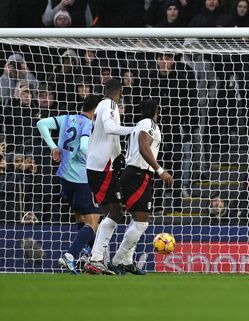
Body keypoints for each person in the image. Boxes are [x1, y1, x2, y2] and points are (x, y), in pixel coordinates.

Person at [36, 95, 102, 274]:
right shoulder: (88, 124)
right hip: (82, 178)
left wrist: (54, 148)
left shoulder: (66, 119)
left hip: (65, 177)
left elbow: (41, 123)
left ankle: (90, 256)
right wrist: (95, 160)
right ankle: (70, 256)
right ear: (95, 110)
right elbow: (82, 146)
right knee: (94, 221)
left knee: (81, 217)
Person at [109, 99, 172, 275]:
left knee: (136, 220)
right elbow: (144, 148)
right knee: (142, 223)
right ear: (154, 110)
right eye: (158, 109)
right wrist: (161, 171)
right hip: (139, 174)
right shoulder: (148, 124)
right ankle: (116, 261)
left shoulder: (140, 124)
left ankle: (128, 262)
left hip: (136, 174)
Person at [83, 79, 135, 275]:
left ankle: (97, 259)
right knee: (116, 212)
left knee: (111, 213)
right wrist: (134, 129)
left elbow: (108, 135)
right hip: (101, 168)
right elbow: (110, 128)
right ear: (119, 93)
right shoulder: (110, 105)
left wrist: (118, 154)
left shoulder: (104, 106)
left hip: (100, 166)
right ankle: (96, 258)